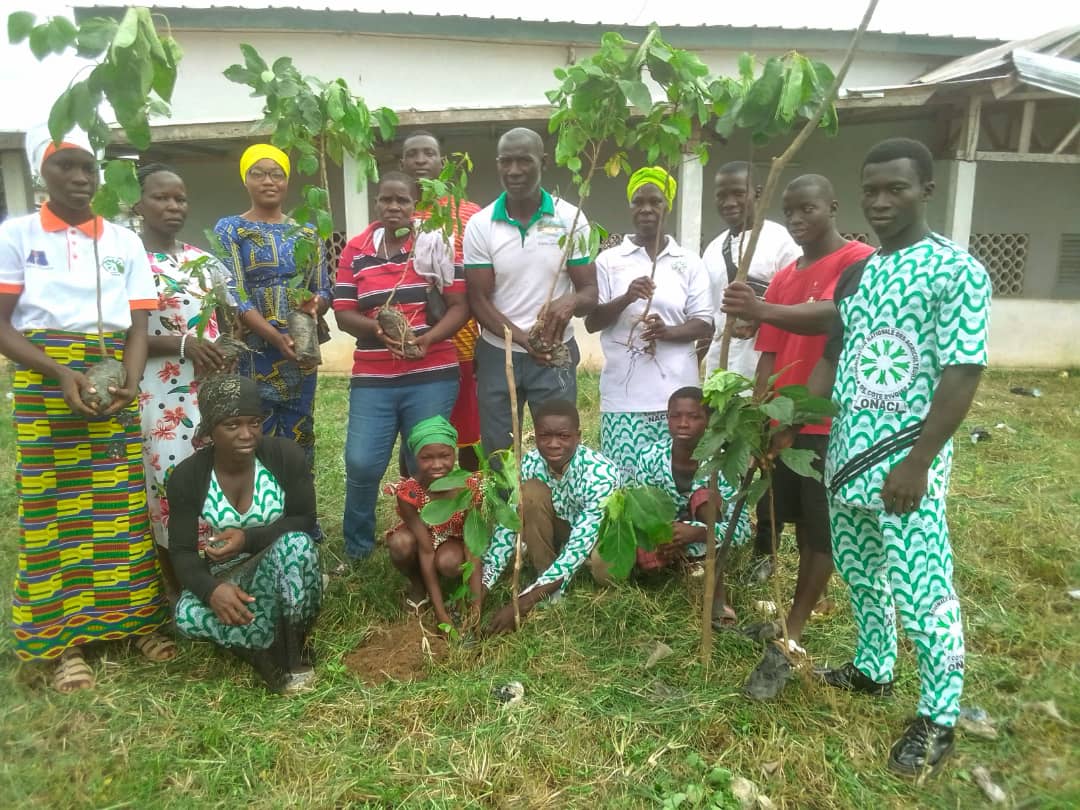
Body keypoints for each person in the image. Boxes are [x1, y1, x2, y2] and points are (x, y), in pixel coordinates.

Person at [807, 139, 990, 777]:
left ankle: (939, 714)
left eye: (897, 190)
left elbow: (963, 371)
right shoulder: (860, 271)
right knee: (862, 574)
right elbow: (842, 350)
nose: (881, 202)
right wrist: (811, 426)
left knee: (922, 589)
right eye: (872, 189)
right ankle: (873, 668)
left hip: (905, 467)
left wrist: (918, 463)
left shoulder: (957, 271)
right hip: (847, 459)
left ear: (926, 192)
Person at [0, 126, 171, 691]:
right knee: (52, 506)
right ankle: (61, 641)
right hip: (44, 377)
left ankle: (132, 621)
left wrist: (129, 375)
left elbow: (139, 324)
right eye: (64, 167)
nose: (78, 179)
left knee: (121, 501)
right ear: (40, 174)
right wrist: (59, 372)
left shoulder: (122, 242)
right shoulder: (17, 235)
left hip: (114, 376)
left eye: (87, 168)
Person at [724, 175, 875, 701]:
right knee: (777, 523)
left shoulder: (858, 262)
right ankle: (775, 616)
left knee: (818, 534)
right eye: (789, 211)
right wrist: (761, 415)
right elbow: (768, 351)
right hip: (779, 427)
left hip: (825, 426)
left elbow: (836, 327)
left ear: (832, 206)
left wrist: (795, 420)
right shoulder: (787, 275)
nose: (797, 219)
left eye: (807, 208)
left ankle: (790, 639)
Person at [333, 171, 469, 566]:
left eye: (402, 201)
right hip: (374, 376)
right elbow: (343, 312)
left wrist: (426, 339)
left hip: (431, 372)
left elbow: (459, 305)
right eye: (385, 200)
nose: (393, 207)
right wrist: (379, 328)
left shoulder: (434, 242)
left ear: (415, 204)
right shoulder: (357, 249)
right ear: (377, 203)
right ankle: (357, 548)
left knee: (425, 462)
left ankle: (429, 537)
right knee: (361, 461)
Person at [167, 375, 322, 694]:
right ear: (209, 430)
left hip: (285, 565)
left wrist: (247, 539)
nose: (247, 434)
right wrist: (212, 590)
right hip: (231, 574)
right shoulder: (187, 477)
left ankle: (292, 655)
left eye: (254, 422)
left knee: (297, 545)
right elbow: (181, 551)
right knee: (184, 615)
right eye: (232, 425)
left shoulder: (284, 456)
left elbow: (304, 520)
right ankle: (265, 638)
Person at [463, 127, 598, 455]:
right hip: (499, 353)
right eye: (505, 162)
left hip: (554, 354)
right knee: (499, 453)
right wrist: (525, 341)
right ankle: (506, 507)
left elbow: (590, 292)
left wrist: (571, 300)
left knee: (556, 449)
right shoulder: (481, 225)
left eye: (523, 161)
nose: (514, 171)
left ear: (544, 162)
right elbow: (478, 300)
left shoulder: (571, 219)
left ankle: (550, 506)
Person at [136, 163, 231, 601]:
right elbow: (119, 333)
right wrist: (182, 344)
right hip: (160, 393)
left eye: (180, 198)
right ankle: (175, 585)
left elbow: (227, 320)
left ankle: (216, 573)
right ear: (137, 203)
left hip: (209, 388)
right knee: (169, 482)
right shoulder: (128, 261)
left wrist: (224, 351)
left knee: (214, 477)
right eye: (161, 197)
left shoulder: (202, 261)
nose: (173, 206)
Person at [701, 161, 800, 582]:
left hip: (765, 367)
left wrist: (760, 318)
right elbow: (711, 316)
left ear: (757, 192)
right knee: (729, 455)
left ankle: (767, 549)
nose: (729, 202)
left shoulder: (780, 241)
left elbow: (794, 305)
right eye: (721, 194)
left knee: (766, 459)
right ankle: (728, 536)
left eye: (737, 193)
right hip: (724, 372)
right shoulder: (713, 247)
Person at [585, 167, 713, 480]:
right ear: (630, 207)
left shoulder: (688, 262)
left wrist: (668, 332)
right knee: (624, 487)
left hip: (678, 396)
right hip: (624, 398)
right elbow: (591, 322)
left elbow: (705, 324)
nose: (646, 209)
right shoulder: (610, 261)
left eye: (655, 201)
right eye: (638, 202)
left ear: (666, 205)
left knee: (676, 484)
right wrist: (627, 297)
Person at [213, 144, 331, 473]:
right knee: (251, 431)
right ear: (245, 180)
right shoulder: (231, 228)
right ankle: (260, 513)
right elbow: (233, 291)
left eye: (277, 174)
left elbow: (324, 287)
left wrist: (316, 303)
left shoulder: (307, 231)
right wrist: (273, 336)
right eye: (258, 173)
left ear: (287, 181)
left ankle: (301, 514)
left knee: (300, 430)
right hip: (252, 349)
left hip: (300, 347)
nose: (268, 181)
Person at [480, 400, 618, 634]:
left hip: (595, 536)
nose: (554, 444)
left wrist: (523, 602)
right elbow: (510, 526)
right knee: (529, 493)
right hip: (560, 528)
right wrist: (484, 584)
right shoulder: (532, 462)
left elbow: (580, 544)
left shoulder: (601, 473)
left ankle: (544, 589)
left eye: (563, 436)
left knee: (606, 570)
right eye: (545, 436)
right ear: (536, 436)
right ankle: (546, 580)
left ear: (579, 436)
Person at [400, 130, 483, 471]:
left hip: (460, 343)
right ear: (402, 163)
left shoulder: (469, 214)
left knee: (465, 437)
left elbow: (479, 281)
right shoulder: (397, 214)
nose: (421, 160)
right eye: (413, 154)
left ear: (443, 163)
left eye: (429, 153)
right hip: (408, 344)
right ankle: (415, 511)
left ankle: (469, 510)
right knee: (417, 436)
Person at [632, 388, 750, 573]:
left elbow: (742, 530)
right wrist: (666, 535)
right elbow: (644, 514)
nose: (683, 424)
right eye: (675, 416)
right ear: (667, 418)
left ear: (709, 421)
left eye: (694, 417)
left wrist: (698, 533)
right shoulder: (649, 457)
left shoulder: (723, 463)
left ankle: (705, 561)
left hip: (708, 537)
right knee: (645, 551)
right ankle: (683, 562)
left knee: (704, 497)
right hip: (668, 536)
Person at [384, 415, 484, 631]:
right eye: (426, 458)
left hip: (454, 540)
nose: (437, 464)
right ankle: (418, 585)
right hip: (424, 540)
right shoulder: (409, 492)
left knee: (450, 562)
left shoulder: (468, 487)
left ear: (455, 452)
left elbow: (472, 547)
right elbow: (426, 549)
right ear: (415, 456)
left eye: (445, 455)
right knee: (399, 543)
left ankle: (458, 591)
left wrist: (476, 607)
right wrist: (441, 615)